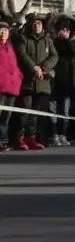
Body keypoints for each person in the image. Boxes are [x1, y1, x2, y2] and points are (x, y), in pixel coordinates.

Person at [12, 13, 57, 151]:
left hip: (42, 81)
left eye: (39, 23)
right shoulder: (23, 38)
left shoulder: (47, 40)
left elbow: (54, 56)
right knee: (24, 111)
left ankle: (31, 138)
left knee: (35, 113)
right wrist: (34, 67)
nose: (37, 26)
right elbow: (22, 54)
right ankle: (19, 138)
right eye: (34, 23)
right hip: (27, 81)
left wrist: (44, 67)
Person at [50, 13, 75, 146]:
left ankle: (63, 135)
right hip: (54, 80)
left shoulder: (73, 42)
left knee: (64, 110)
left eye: (67, 30)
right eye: (62, 29)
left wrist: (69, 39)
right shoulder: (53, 41)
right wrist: (59, 38)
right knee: (53, 110)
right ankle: (54, 135)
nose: (64, 32)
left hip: (68, 82)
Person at [0, 15, 25, 152]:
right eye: (1, 31)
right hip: (1, 87)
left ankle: (2, 141)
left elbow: (13, 65)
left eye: (5, 31)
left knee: (6, 118)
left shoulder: (10, 47)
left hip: (12, 87)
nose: (3, 34)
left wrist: (18, 76)